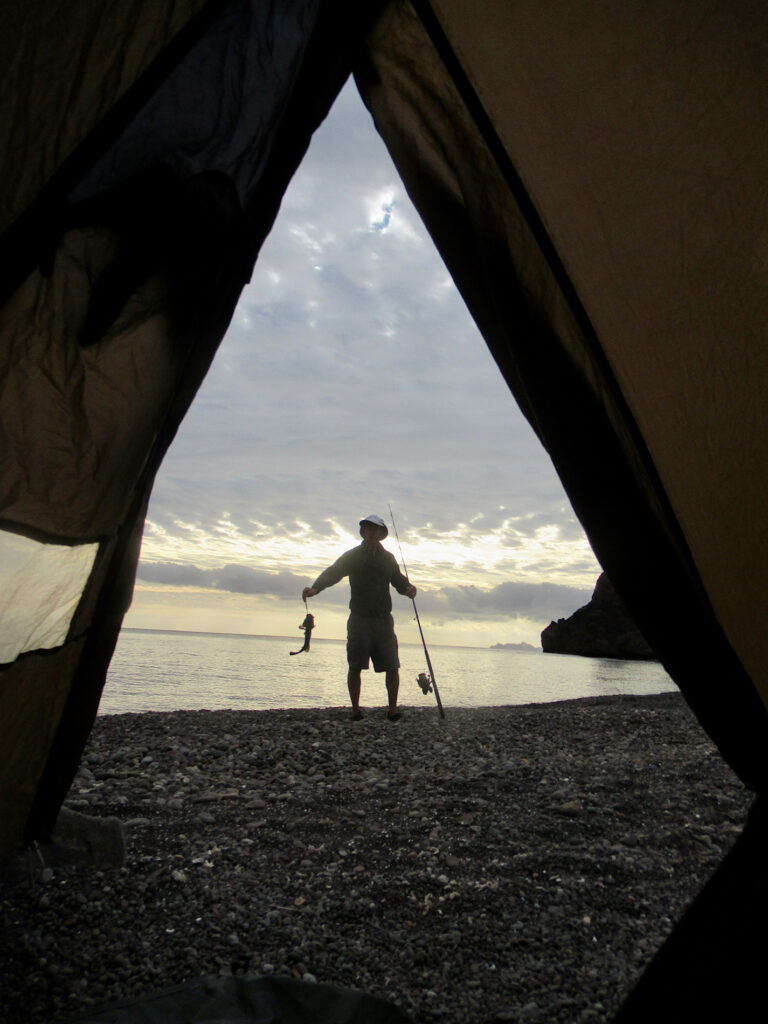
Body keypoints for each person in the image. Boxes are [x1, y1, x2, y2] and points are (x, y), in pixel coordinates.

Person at [302, 514, 416, 721]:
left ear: (382, 534)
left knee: (392, 666)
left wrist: (408, 588)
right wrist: (315, 588)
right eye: (368, 529)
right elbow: (334, 572)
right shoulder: (353, 556)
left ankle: (392, 710)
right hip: (359, 619)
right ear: (363, 532)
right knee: (355, 665)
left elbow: (398, 581)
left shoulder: (388, 558)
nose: (372, 533)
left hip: (384, 621)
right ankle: (355, 710)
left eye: (376, 530)